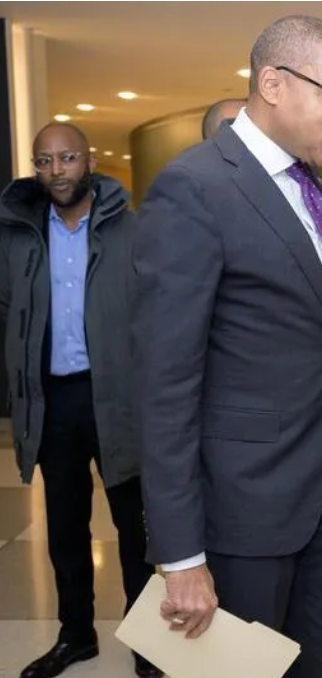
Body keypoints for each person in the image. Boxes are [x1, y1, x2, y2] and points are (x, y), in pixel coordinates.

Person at [132, 15, 322, 678]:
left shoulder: (308, 184)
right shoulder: (195, 189)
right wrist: (181, 557)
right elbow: (164, 386)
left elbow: (312, 330)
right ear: (273, 83)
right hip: (242, 511)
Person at [0, 123, 161, 678]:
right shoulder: (19, 234)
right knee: (65, 528)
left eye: (66, 158)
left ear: (88, 160)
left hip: (116, 399)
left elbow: (156, 316)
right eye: (43, 161)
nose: (56, 171)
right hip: (53, 402)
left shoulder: (130, 230)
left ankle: (148, 643)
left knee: (135, 531)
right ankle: (77, 636)